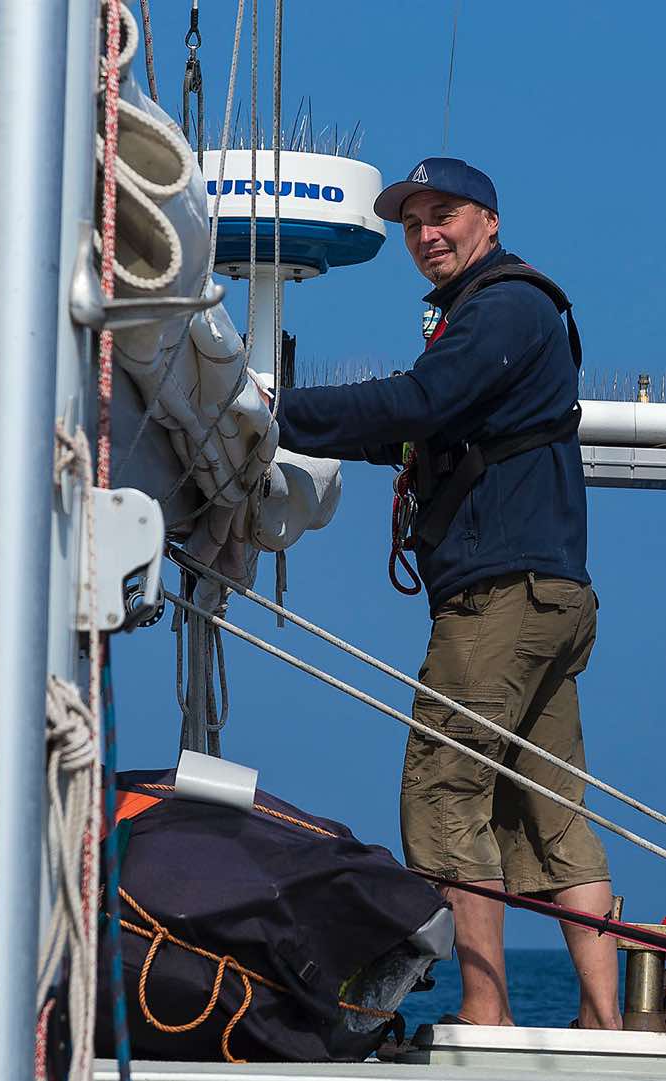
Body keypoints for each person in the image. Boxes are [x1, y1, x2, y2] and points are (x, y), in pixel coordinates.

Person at [272, 157, 622, 1030]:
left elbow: (417, 403)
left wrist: (269, 411)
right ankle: (604, 1022)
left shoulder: (506, 305)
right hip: (544, 595)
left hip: (498, 598)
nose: (426, 231)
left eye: (445, 213)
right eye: (412, 220)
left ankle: (485, 1012)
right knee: (548, 809)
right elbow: (420, 434)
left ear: (489, 221)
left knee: (443, 791)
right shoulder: (487, 313)